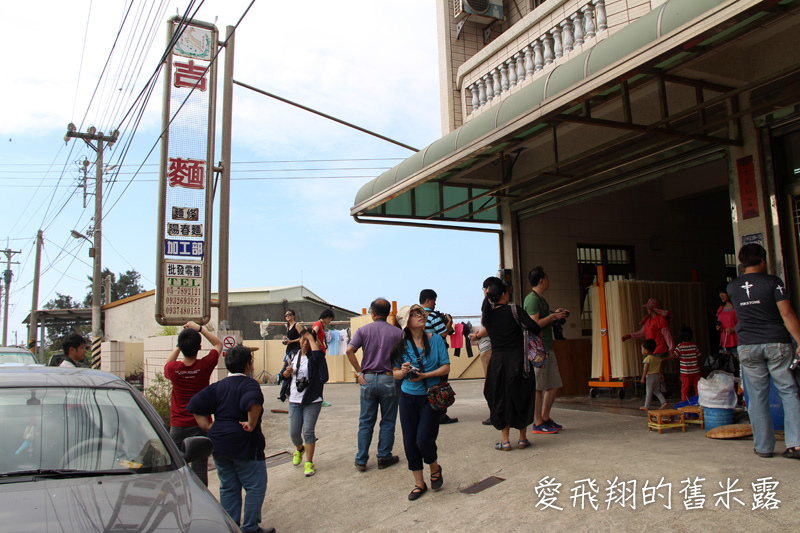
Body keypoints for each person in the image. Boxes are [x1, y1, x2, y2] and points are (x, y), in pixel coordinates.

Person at [187, 346, 273, 533]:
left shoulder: (218, 386)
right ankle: (250, 527)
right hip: (245, 443)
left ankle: (230, 526)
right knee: (255, 486)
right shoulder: (249, 384)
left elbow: (195, 404)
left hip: (219, 443)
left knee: (228, 487)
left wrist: (208, 426)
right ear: (249, 365)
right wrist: (251, 423)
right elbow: (253, 402)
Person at [727, 243, 800, 460]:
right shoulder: (773, 282)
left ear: (741, 263)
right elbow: (786, 314)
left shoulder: (732, 287)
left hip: (748, 346)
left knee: (757, 397)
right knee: (788, 390)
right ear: (763, 260)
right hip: (776, 344)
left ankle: (764, 447)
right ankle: (796, 444)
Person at [392, 304, 450, 501]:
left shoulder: (436, 341)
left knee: (423, 439)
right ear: (406, 323)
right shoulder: (401, 346)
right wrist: (404, 370)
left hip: (430, 396)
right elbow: (395, 373)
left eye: (420, 313)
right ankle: (419, 483)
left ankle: (434, 467)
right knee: (409, 442)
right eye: (414, 314)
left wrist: (425, 374)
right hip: (408, 397)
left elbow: (446, 367)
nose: (420, 316)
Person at [482, 279, 540, 451]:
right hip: (518, 361)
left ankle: (505, 441)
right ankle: (522, 439)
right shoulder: (515, 310)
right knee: (521, 395)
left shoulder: (488, 315)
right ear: (504, 294)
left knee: (500, 398)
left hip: (497, 362)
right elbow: (534, 328)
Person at [346, 298, 403, 471]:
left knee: (365, 421)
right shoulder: (397, 333)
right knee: (387, 420)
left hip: (368, 379)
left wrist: (359, 372)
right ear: (387, 314)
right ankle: (384, 457)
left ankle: (361, 459)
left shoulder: (363, 330)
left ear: (372, 313)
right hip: (389, 379)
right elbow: (401, 358)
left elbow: (349, 350)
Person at [163, 321, 223, 486]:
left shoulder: (173, 370)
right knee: (199, 469)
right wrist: (199, 328)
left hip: (177, 425)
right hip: (200, 424)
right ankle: (200, 501)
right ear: (199, 347)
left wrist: (179, 345)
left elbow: (167, 363)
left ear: (181, 348)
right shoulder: (204, 366)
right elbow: (219, 344)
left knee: (173, 467)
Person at [523, 266, 569, 435]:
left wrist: (554, 314)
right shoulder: (532, 299)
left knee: (555, 384)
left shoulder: (542, 300)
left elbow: (543, 320)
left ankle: (545, 418)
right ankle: (537, 422)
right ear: (542, 280)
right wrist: (552, 317)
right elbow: (534, 323)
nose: (549, 281)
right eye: (547, 278)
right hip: (538, 349)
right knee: (538, 387)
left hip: (548, 346)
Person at [282, 329, 328, 477]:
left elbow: (321, 369)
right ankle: (300, 448)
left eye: (308, 339)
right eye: (303, 339)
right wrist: (287, 373)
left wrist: (311, 338)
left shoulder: (316, 356)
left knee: (308, 431)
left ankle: (309, 462)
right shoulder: (293, 355)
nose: (305, 342)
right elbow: (282, 374)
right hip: (294, 399)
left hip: (312, 399)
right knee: (294, 433)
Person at [419, 289, 457, 424]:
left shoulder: (416, 315)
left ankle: (427, 412)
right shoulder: (433, 316)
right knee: (441, 384)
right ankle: (441, 414)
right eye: (434, 300)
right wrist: (449, 321)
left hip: (422, 355)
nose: (435, 304)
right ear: (428, 300)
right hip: (438, 355)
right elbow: (443, 334)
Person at [472, 276, 502, 425]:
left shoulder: (491, 304)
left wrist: (476, 336)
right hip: (491, 348)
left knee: (492, 383)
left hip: (489, 349)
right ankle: (496, 413)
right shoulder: (496, 304)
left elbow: (489, 328)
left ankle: (495, 414)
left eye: (484, 288)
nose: (484, 291)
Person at [669, 326, 701, 402]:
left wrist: (671, 352)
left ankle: (684, 403)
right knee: (697, 388)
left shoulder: (680, 346)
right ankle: (699, 402)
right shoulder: (694, 346)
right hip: (696, 371)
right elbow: (699, 355)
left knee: (685, 389)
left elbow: (674, 355)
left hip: (685, 373)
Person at [716, 282, 739, 376]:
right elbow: (719, 323)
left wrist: (734, 328)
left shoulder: (737, 307)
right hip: (725, 342)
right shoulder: (720, 309)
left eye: (723, 292)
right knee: (726, 368)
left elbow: (745, 321)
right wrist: (719, 328)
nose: (721, 295)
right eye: (720, 293)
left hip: (737, 341)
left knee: (738, 366)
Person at [640, 339, 669, 411]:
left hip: (650, 377)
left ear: (646, 351)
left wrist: (643, 378)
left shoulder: (647, 359)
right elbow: (660, 368)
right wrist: (661, 376)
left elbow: (645, 370)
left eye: (642, 349)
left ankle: (646, 406)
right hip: (657, 377)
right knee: (657, 391)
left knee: (649, 392)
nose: (642, 351)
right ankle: (663, 402)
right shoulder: (657, 359)